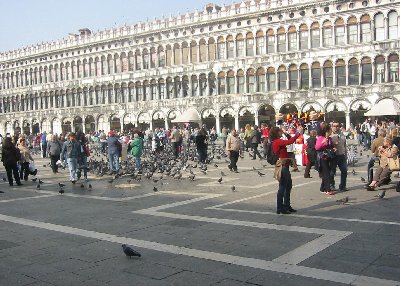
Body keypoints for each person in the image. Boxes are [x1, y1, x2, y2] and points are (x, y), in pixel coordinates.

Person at [270, 127, 300, 214]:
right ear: (276, 133)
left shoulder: (278, 140)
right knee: (283, 187)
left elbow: (290, 140)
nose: (281, 132)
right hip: (282, 166)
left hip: (285, 165)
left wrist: (286, 133)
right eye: (279, 131)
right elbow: (289, 142)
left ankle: (287, 205)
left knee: (288, 186)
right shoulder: (277, 141)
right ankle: (280, 207)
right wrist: (297, 134)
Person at [315, 124, 335, 195]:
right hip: (322, 158)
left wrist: (333, 148)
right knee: (326, 174)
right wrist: (324, 142)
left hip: (328, 157)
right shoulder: (321, 138)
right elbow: (317, 147)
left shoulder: (329, 138)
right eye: (330, 131)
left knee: (326, 173)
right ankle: (327, 189)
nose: (331, 132)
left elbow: (331, 146)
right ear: (326, 131)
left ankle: (322, 188)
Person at [330, 121, 348, 192]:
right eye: (334, 126)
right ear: (332, 127)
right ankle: (331, 185)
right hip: (334, 156)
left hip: (342, 155)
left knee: (344, 171)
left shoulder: (342, 134)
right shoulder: (330, 135)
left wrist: (345, 154)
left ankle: (342, 186)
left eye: (337, 126)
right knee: (332, 172)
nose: (336, 127)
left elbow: (344, 145)